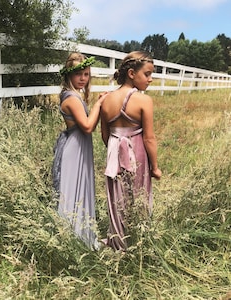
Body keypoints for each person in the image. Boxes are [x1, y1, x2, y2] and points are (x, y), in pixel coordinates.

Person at [100, 51, 162, 251]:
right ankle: (139, 240)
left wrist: (116, 151)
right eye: (147, 74)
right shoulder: (144, 101)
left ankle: (118, 242)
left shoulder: (106, 100)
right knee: (139, 195)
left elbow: (105, 134)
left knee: (117, 197)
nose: (150, 79)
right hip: (138, 154)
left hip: (114, 154)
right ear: (132, 74)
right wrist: (155, 167)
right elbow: (149, 138)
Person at [52, 52, 107, 250]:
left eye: (86, 74)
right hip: (74, 148)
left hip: (79, 146)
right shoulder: (72, 98)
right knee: (72, 191)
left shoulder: (74, 96)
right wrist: (99, 105)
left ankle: (81, 237)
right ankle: (71, 238)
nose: (83, 78)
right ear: (68, 76)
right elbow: (87, 126)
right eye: (78, 75)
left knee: (80, 189)